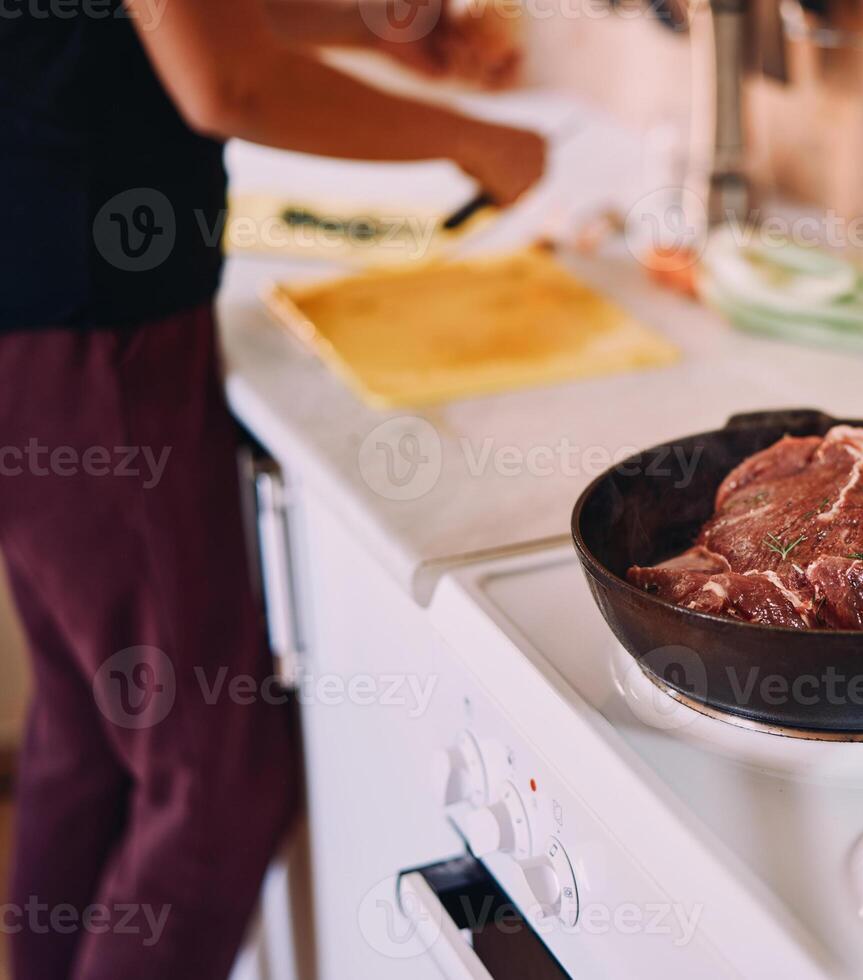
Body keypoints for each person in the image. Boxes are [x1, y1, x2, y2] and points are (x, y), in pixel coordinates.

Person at [0, 0, 545, 975]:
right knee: (214, 782)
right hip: (89, 344)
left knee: (86, 733)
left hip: (40, 323)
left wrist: (378, 30)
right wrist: (472, 138)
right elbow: (225, 85)